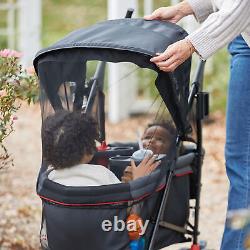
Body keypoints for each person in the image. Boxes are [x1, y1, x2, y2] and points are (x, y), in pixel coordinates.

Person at [144, 1, 250, 250]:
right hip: (243, 39)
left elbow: (242, 6)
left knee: (243, 163)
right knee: (242, 162)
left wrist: (192, 44)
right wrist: (185, 8)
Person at [42, 110, 160, 186]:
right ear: (87, 149)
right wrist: (137, 180)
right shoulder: (102, 174)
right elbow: (122, 201)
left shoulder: (51, 177)